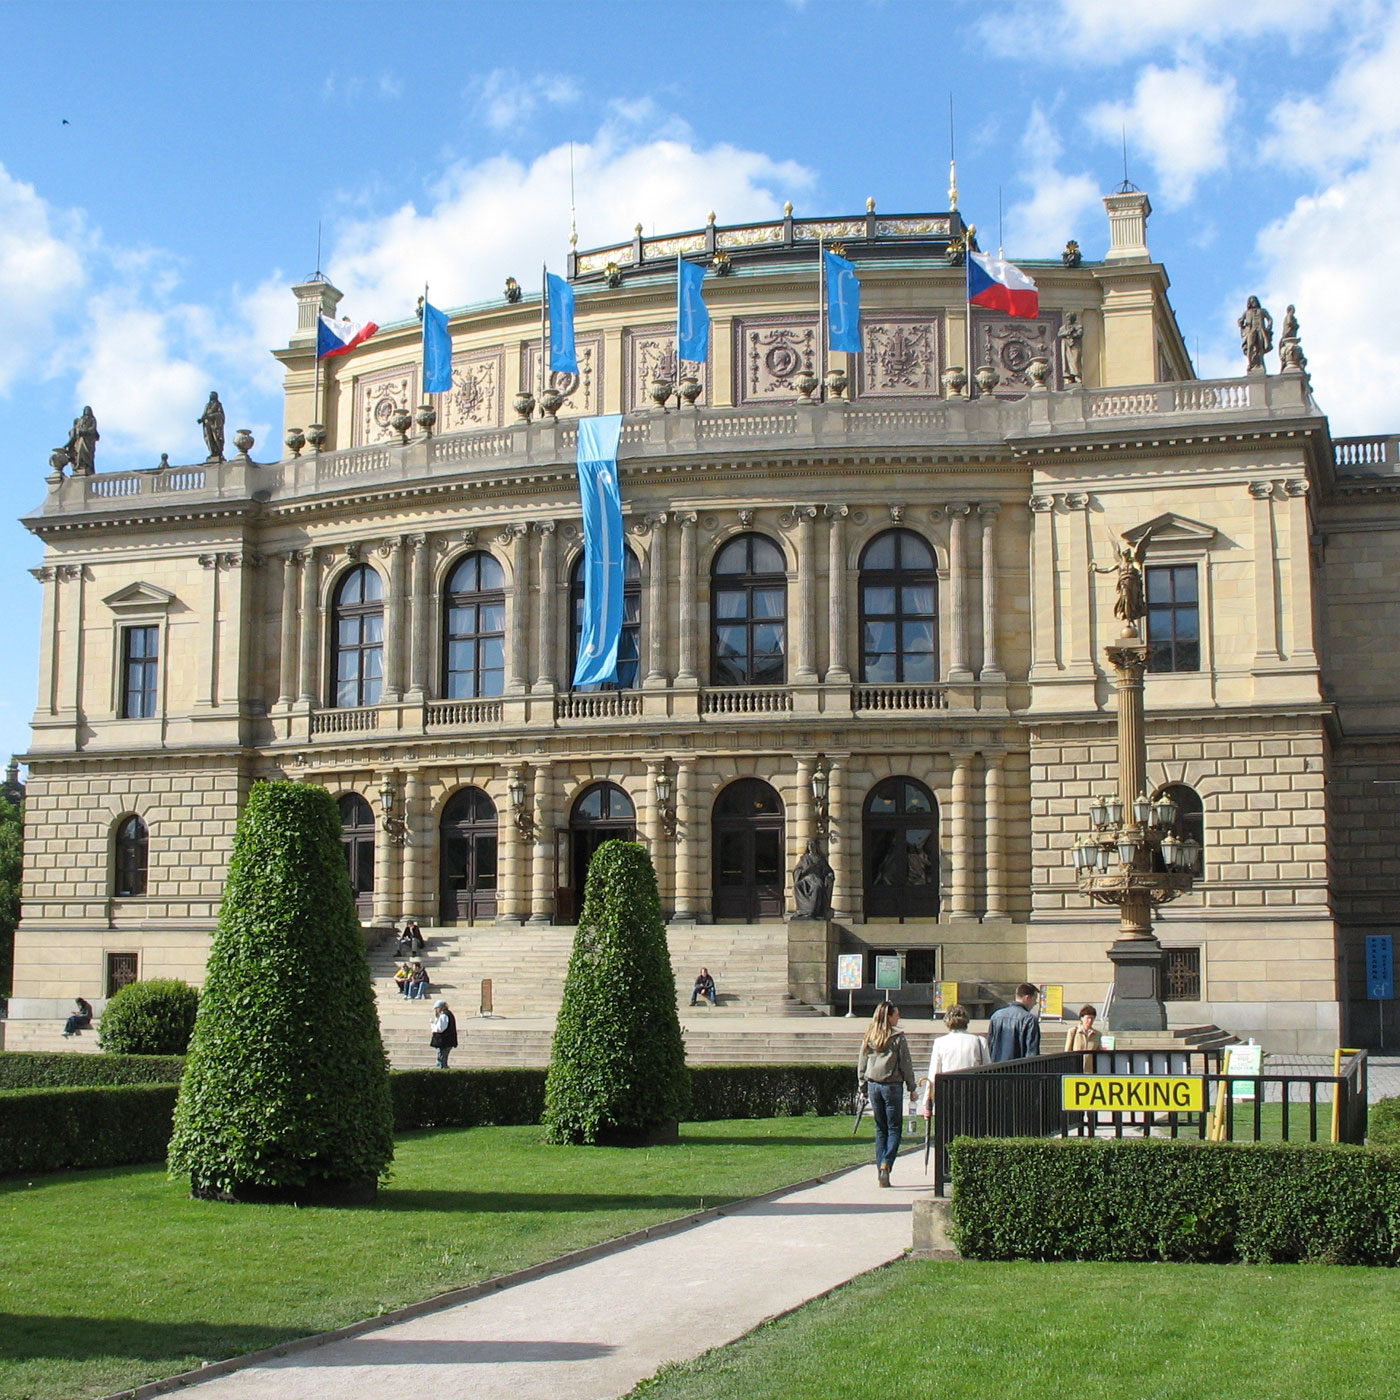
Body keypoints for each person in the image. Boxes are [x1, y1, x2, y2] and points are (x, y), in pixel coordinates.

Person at [857, 1001, 917, 1187]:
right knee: (894, 1129)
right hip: (892, 1086)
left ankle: (880, 1172)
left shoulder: (870, 1036)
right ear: (889, 1017)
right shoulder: (897, 1037)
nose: (898, 1017)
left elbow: (862, 1060)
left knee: (880, 1129)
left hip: (874, 1085)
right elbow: (905, 1064)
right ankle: (886, 1163)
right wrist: (912, 1087)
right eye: (896, 1014)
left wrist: (862, 1086)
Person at [920, 1004, 987, 1117]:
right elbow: (988, 1071)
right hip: (973, 1092)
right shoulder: (980, 1041)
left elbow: (933, 1075)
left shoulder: (940, 1042)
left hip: (948, 1092)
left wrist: (928, 1101)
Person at [987, 983, 1041, 1063]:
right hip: (1018, 1070)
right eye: (1034, 999)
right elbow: (1032, 1052)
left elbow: (990, 1045)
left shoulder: (996, 1016)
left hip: (996, 1068)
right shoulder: (1030, 1019)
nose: (1035, 1003)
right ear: (1027, 998)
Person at [1064, 1004, 1102, 1070]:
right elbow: (1067, 1051)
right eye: (1088, 1018)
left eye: (1092, 1018)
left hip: (1090, 1071)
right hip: (1075, 1069)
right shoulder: (1073, 1032)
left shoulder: (1097, 1034)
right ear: (1082, 1018)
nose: (1090, 1021)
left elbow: (1099, 1053)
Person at [429, 999, 458, 1069]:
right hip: (447, 1041)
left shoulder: (444, 1015)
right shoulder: (448, 1014)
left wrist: (432, 1025)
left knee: (441, 1061)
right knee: (443, 1059)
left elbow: (440, 1029)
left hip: (444, 1042)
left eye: (436, 1009)